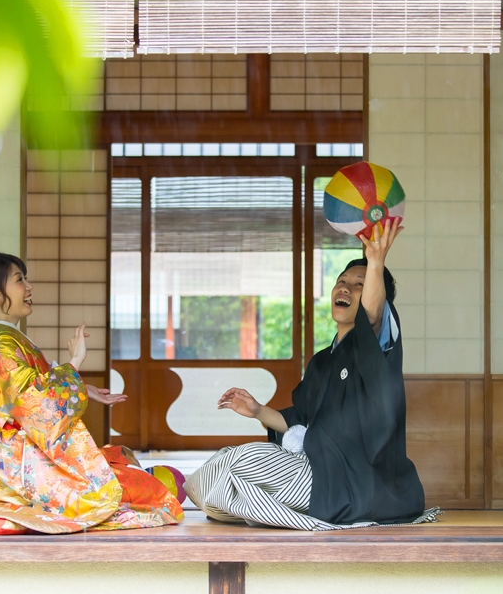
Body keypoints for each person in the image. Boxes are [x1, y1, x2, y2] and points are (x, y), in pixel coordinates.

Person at [185, 218, 435, 530]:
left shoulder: (378, 346)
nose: (345, 287)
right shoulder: (321, 361)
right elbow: (300, 420)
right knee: (221, 462)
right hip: (316, 472)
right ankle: (267, 509)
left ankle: (287, 515)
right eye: (341, 281)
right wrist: (258, 411)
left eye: (359, 284)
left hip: (355, 486)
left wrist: (376, 261)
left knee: (238, 464)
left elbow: (371, 315)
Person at [0, 249, 183, 533]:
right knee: (146, 490)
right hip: (19, 472)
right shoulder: (2, 348)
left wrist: (83, 387)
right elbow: (44, 411)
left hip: (14, 464)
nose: (29, 287)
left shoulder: (4, 345)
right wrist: (74, 362)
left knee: (124, 465)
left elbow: (31, 392)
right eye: (19, 280)